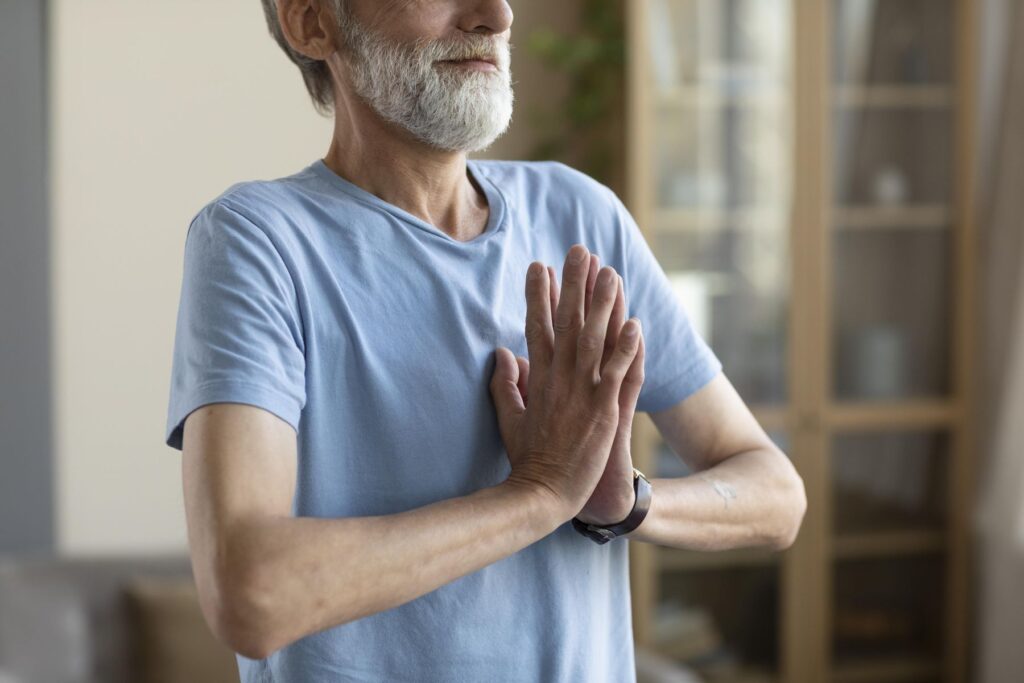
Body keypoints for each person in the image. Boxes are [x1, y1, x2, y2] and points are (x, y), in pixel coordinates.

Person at [163, 1, 807, 681]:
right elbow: (252, 593)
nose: (495, 14)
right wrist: (539, 495)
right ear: (313, 23)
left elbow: (776, 495)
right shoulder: (256, 241)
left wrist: (626, 502)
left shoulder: (580, 214)